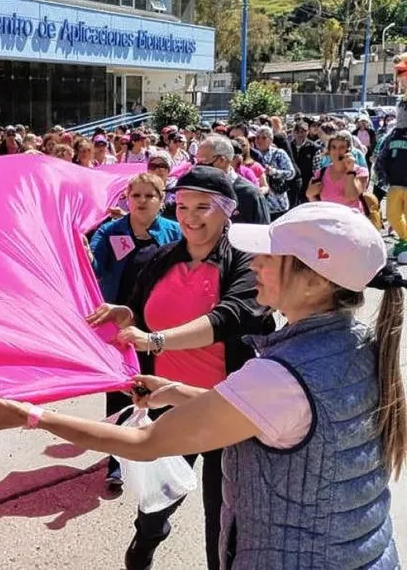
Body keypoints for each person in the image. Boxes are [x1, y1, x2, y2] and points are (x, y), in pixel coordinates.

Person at [0, 203, 406, 570]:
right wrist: (177, 390)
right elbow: (272, 419)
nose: (255, 264)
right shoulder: (360, 344)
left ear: (315, 281)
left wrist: (34, 416)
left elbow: (145, 441)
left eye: (271, 257)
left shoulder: (281, 375)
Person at [86, 166, 275, 570]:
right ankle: (147, 540)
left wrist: (157, 339)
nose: (189, 216)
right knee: (155, 504)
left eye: (203, 207)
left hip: (227, 408)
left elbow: (233, 316)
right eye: (183, 206)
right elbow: (139, 311)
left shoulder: (247, 264)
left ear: (228, 212)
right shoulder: (159, 259)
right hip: (171, 407)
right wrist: (127, 314)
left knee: (222, 521)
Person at [89, 172, 182, 488]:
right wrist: (85, 254)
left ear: (161, 200)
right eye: (136, 195)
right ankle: (115, 461)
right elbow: (93, 267)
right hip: (120, 326)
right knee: (120, 392)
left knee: (160, 391)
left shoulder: (173, 232)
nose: (142, 201)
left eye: (149, 196)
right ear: (127, 199)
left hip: (161, 325)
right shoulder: (110, 231)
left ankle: (156, 456)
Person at [196, 136, 270, 225]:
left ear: (221, 160)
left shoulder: (249, 194)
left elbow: (262, 232)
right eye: (197, 163)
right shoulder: (194, 188)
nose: (198, 168)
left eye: (203, 163)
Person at [376, 56, 407, 261]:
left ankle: (404, 242)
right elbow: (381, 157)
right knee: (394, 215)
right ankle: (404, 240)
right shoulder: (393, 135)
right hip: (395, 183)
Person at [306, 131, 370, 212]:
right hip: (329, 221)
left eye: (342, 147)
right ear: (328, 151)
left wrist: (350, 171)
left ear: (348, 150)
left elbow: (351, 196)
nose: (337, 151)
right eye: (333, 147)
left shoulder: (360, 172)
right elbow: (317, 204)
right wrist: (310, 195)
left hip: (352, 221)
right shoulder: (320, 174)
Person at [252, 127, 295, 220]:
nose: (259, 140)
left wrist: (274, 172)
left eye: (264, 138)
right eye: (257, 137)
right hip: (260, 203)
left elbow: (291, 173)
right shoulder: (252, 155)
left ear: (271, 140)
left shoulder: (279, 153)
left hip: (277, 202)